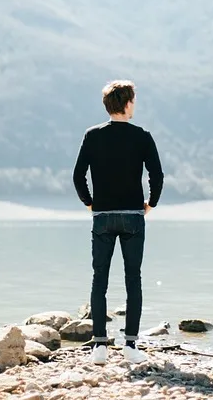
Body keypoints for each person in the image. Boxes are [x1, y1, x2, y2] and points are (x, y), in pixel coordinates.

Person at [72, 80, 164, 365]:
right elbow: (157, 175)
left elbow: (78, 176)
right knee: (132, 280)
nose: (135, 105)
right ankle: (131, 347)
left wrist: (90, 204)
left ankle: (99, 347)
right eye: (133, 101)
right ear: (126, 104)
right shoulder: (142, 136)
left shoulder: (92, 135)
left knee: (99, 279)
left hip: (102, 217)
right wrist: (150, 204)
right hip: (133, 217)